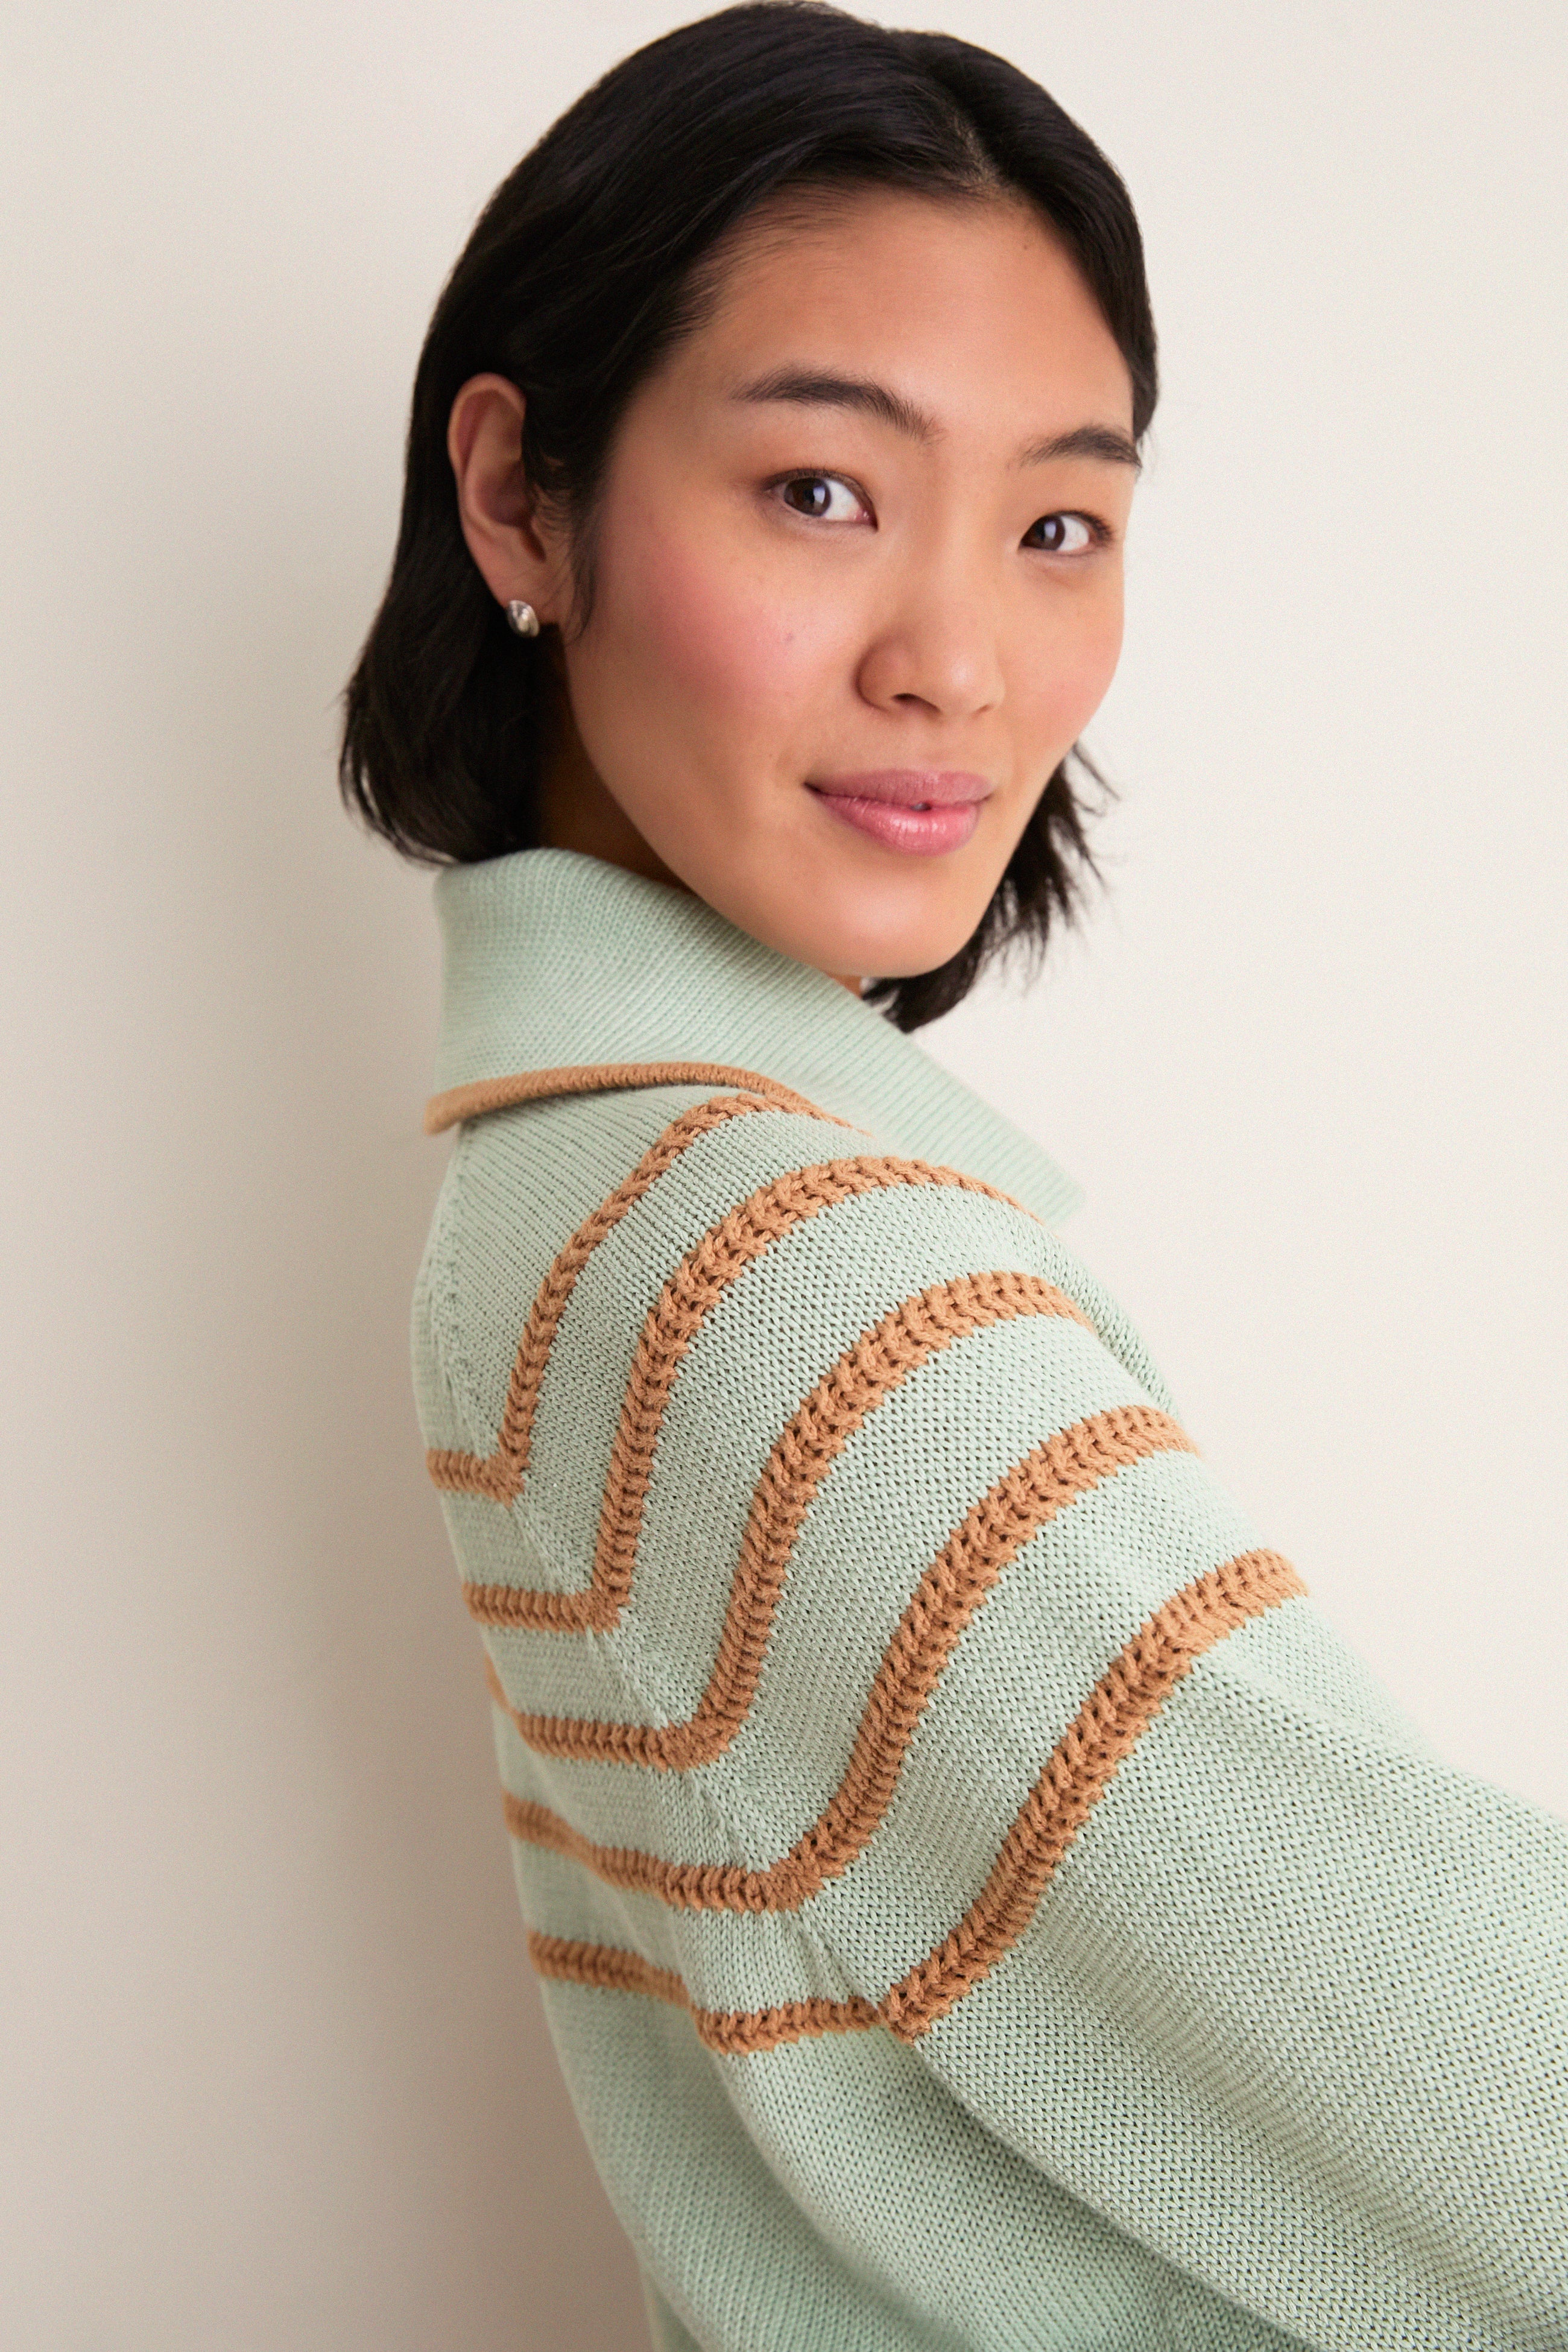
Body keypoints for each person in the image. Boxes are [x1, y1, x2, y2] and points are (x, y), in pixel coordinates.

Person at [340, 7, 1568, 2346]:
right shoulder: (761, 1265)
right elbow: (1490, 2075)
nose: (957, 661)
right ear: (520, 499)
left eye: (1055, 527)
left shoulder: (581, 1204)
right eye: (822, 491)